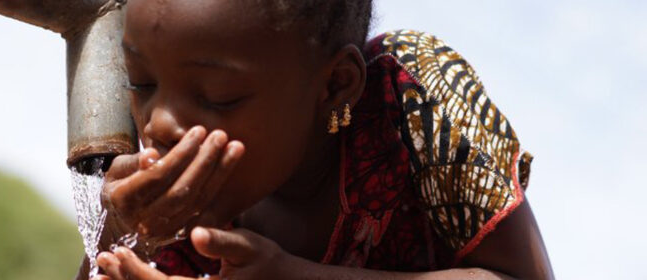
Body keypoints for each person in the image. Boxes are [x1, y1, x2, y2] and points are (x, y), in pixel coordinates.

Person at [85, 0, 553, 279]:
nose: (159, 123)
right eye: (141, 82)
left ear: (335, 86)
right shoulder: (152, 187)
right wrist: (120, 230)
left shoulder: (407, 96)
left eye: (218, 96)